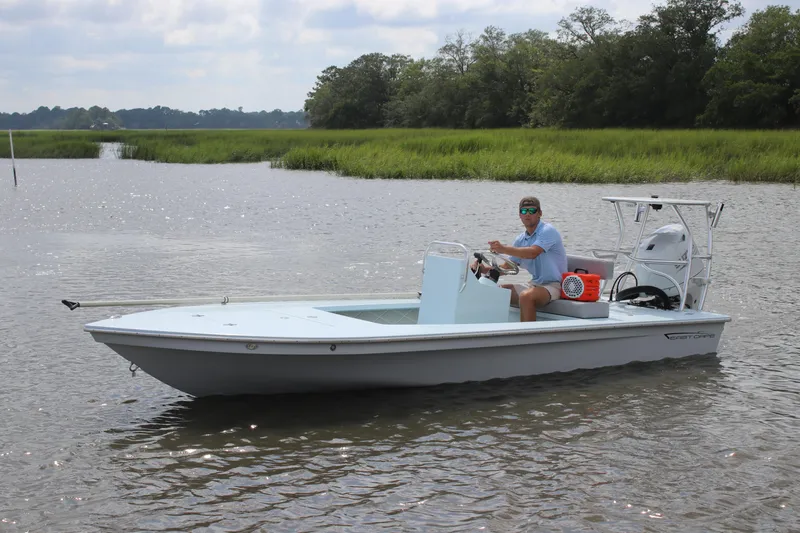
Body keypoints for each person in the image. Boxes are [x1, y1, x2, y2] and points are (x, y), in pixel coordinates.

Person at [474, 196, 567, 322]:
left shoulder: (548, 230)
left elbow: (533, 253)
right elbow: (507, 267)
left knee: (526, 297)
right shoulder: (520, 239)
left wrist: (503, 249)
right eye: (524, 211)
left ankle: (527, 334)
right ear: (520, 215)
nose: (527, 214)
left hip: (555, 285)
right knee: (496, 292)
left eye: (532, 211)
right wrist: (483, 269)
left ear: (540, 213)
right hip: (534, 284)